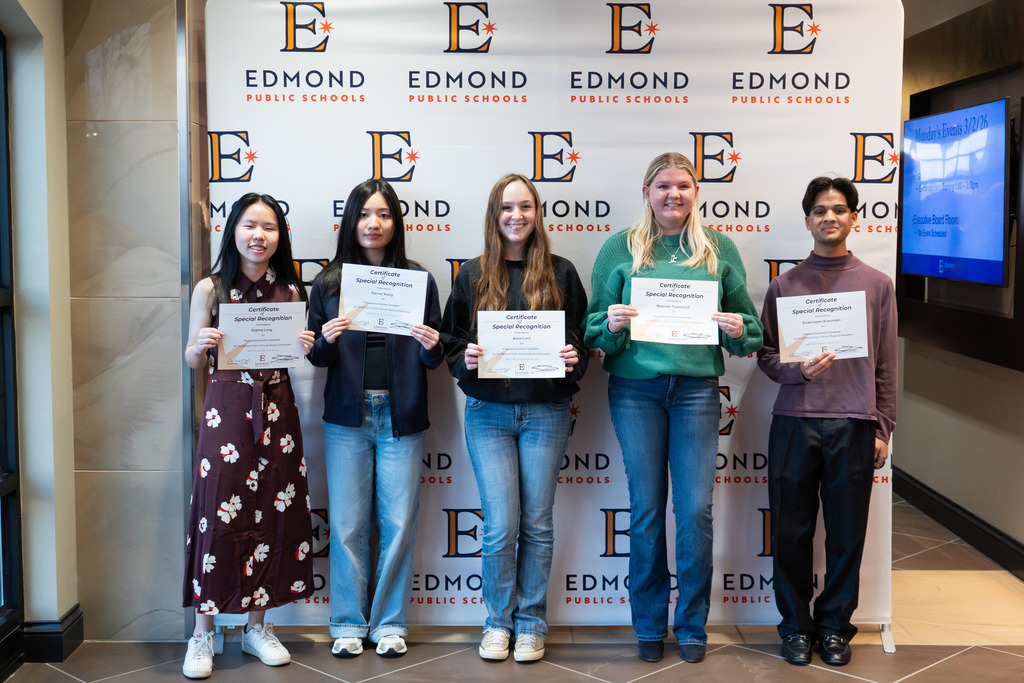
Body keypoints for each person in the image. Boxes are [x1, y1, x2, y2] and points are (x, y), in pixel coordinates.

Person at [584, 153, 762, 664]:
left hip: (697, 395)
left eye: (683, 186)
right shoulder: (619, 247)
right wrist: (612, 325)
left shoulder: (717, 248)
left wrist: (735, 329)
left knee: (696, 511)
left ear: (696, 193)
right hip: (635, 392)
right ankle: (647, 624)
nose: (673, 195)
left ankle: (691, 626)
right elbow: (594, 331)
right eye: (663, 186)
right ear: (647, 191)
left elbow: (750, 334)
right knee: (644, 511)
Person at [441, 173, 588, 663]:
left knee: (538, 523)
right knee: (502, 525)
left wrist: (574, 358)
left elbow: (581, 341)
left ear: (538, 213)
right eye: (507, 208)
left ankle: (530, 624)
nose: (516, 216)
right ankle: (497, 624)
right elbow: (451, 344)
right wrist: (469, 359)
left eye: (525, 207)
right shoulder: (472, 274)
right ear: (493, 214)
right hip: (488, 414)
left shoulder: (562, 272)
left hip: (547, 411)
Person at [757, 176, 897, 667]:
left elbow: (886, 364)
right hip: (795, 421)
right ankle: (796, 627)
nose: (829, 217)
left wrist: (883, 427)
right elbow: (768, 358)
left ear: (854, 218)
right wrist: (797, 371)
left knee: (846, 533)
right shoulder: (785, 285)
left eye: (839, 209)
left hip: (855, 423)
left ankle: (835, 626)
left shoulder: (878, 284)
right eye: (820, 210)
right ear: (808, 219)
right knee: (791, 532)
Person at [307, 179, 444, 659]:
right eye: (365, 213)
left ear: (395, 223)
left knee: (399, 523)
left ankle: (388, 624)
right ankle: (347, 622)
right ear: (351, 221)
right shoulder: (327, 282)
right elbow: (317, 359)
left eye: (384, 214)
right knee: (346, 524)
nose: (374, 223)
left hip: (401, 414)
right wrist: (323, 339)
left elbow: (434, 358)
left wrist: (432, 348)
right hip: (347, 415)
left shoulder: (419, 279)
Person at [182, 193, 316, 679]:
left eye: (270, 227)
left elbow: (297, 356)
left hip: (277, 410)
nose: (259, 235)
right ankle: (204, 633)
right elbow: (193, 360)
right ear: (233, 231)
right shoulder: (210, 288)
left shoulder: (293, 292)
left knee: (276, 513)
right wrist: (200, 345)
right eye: (249, 225)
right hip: (227, 410)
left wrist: (305, 345)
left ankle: (259, 626)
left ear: (280, 236)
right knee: (217, 512)